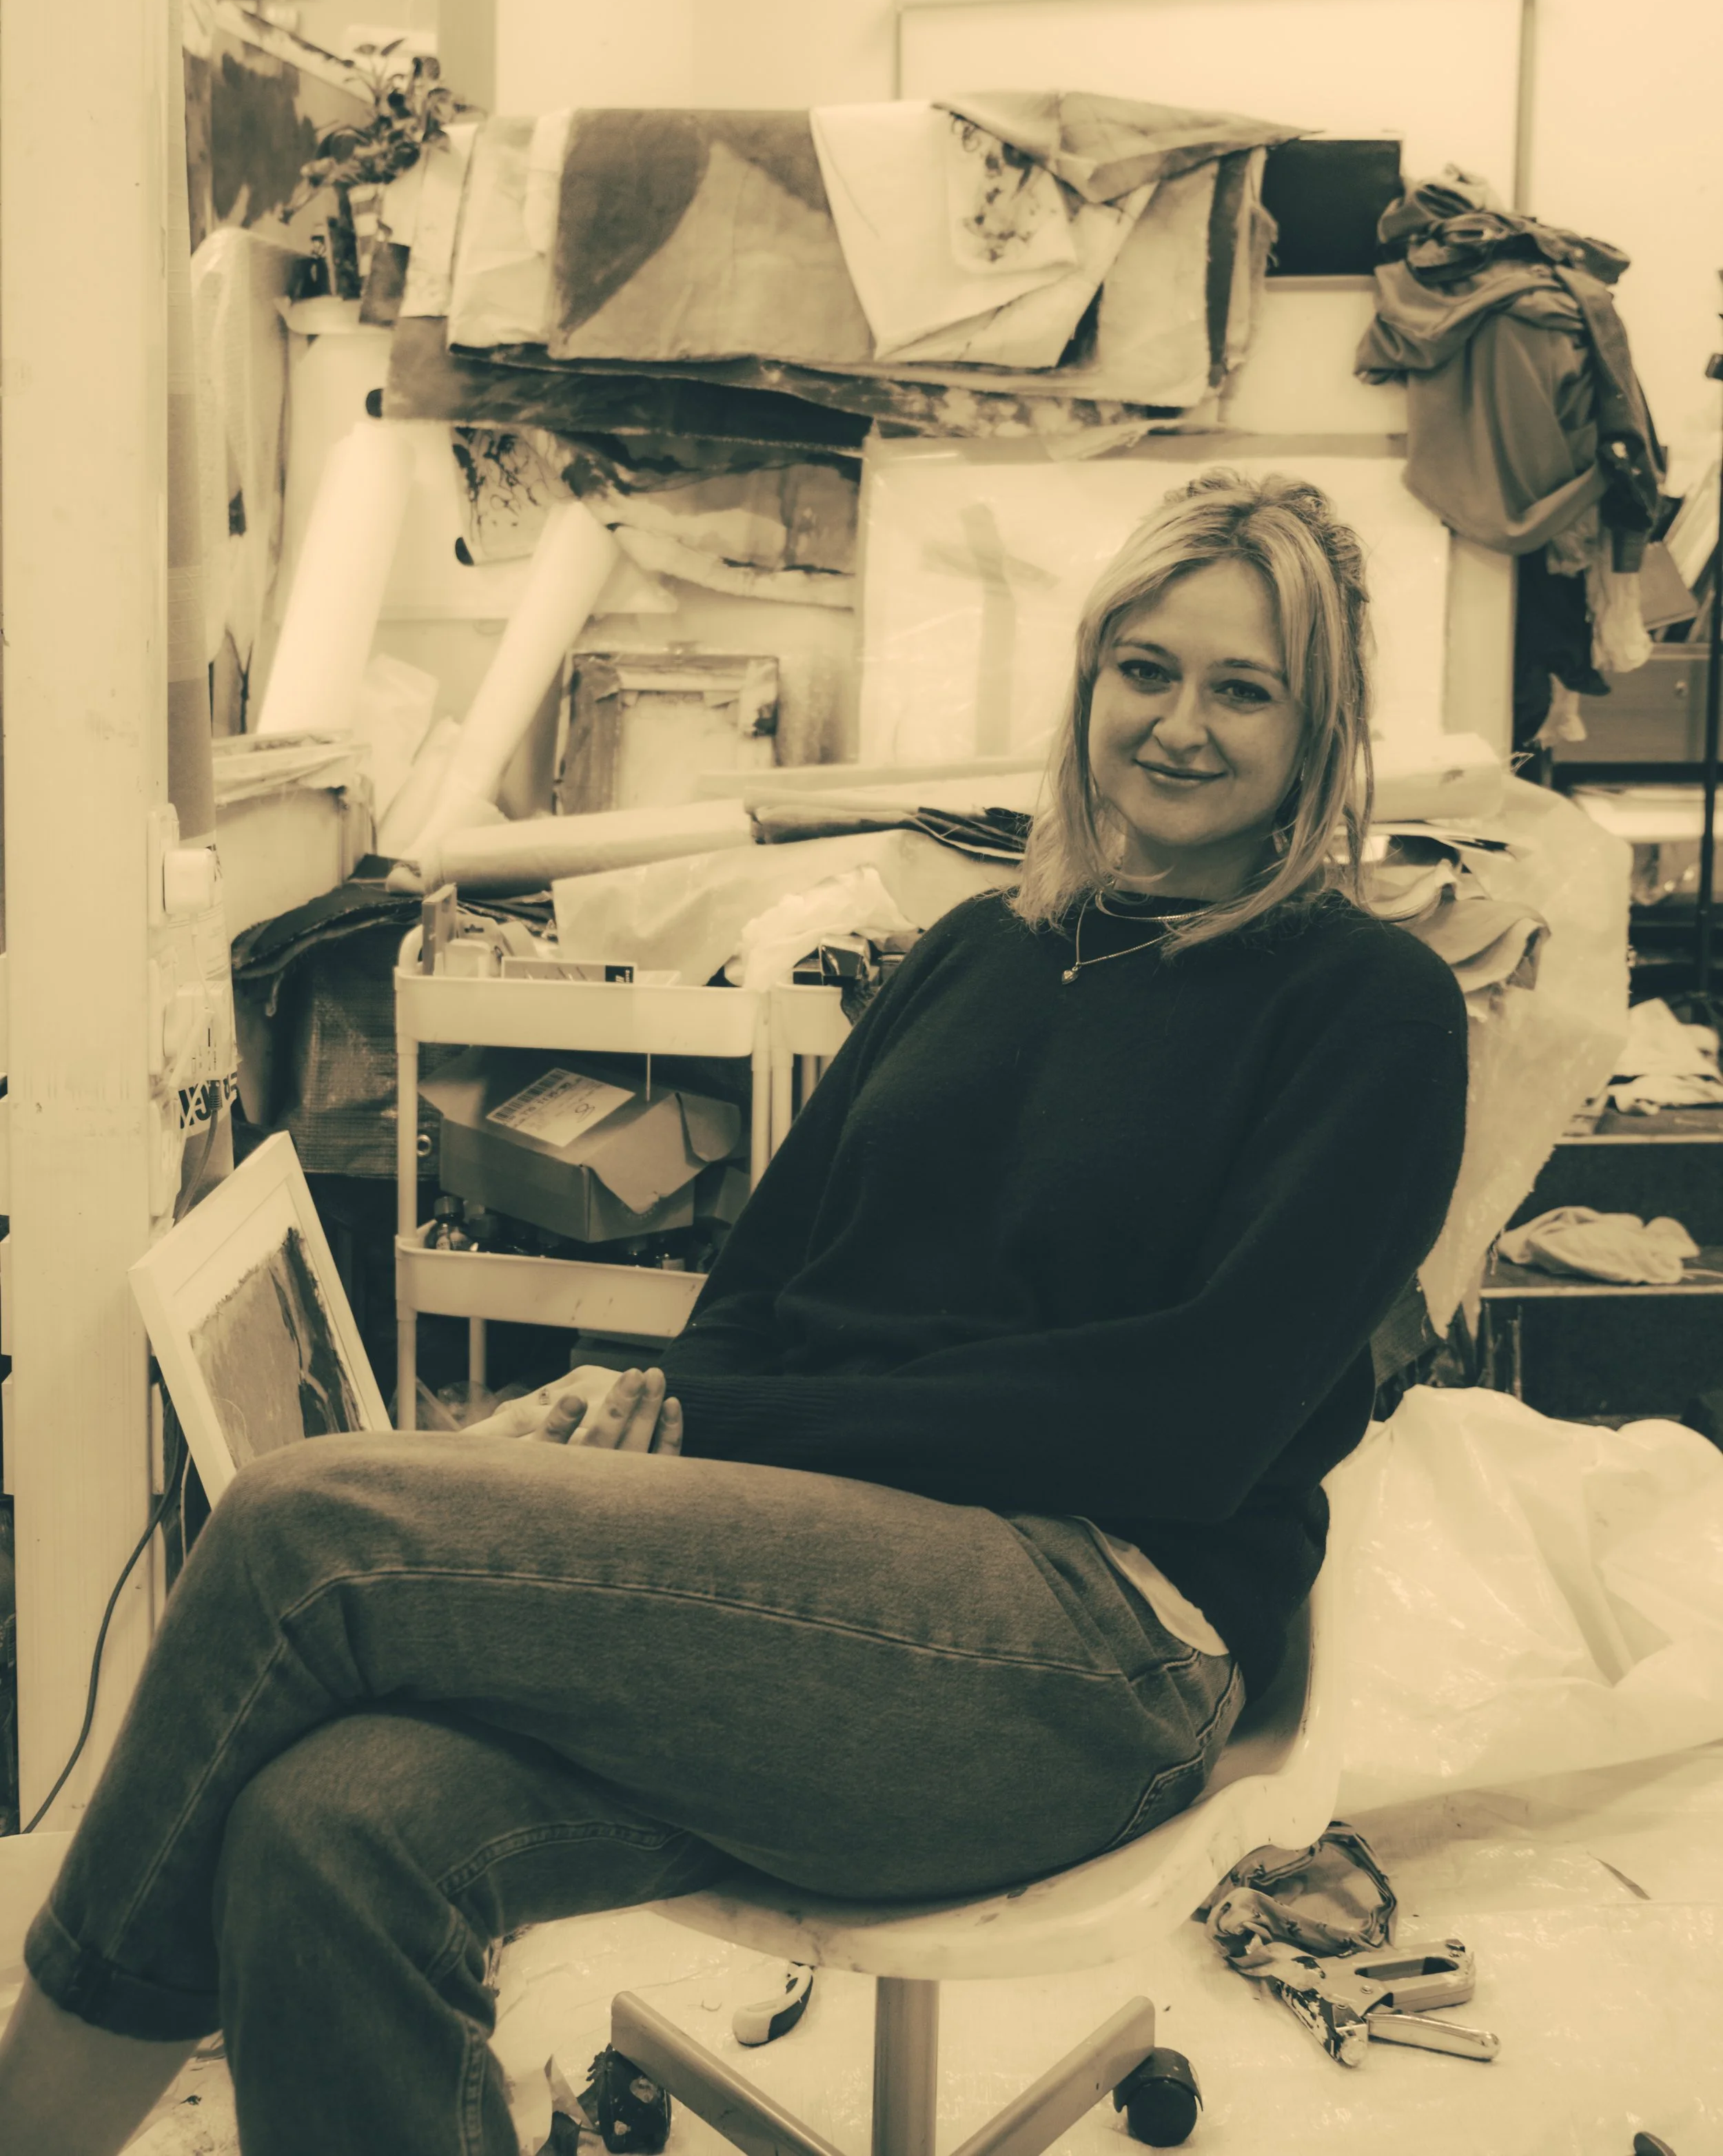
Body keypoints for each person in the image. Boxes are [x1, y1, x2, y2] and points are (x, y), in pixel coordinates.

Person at [0, 471, 1469, 2156]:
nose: (1179, 725)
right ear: (1085, 680)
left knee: (306, 1527)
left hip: (1094, 1646)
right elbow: (762, 1289)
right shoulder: (980, 946)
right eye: (1144, 668)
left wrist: (728, 1425)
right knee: (323, 1824)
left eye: (1242, 689)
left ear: (1319, 728)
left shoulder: (1368, 1008)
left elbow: (1181, 1427)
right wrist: (643, 1415)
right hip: (813, 1585)